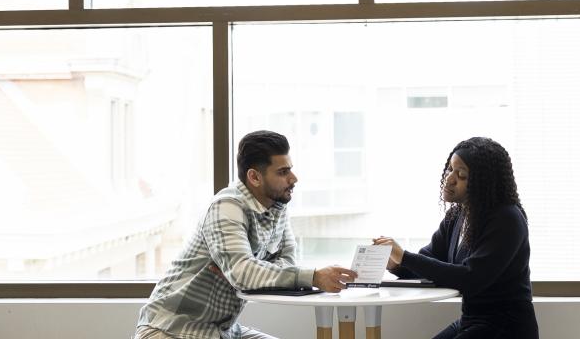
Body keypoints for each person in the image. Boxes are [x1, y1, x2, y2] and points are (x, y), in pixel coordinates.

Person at [135, 130, 357, 339]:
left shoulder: (277, 208)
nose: (293, 178)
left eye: (291, 169)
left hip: (221, 331)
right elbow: (243, 273)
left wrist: (250, 271)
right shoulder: (227, 206)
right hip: (171, 330)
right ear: (254, 177)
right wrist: (314, 276)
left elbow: (286, 261)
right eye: (283, 172)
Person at [374, 136, 538, 338]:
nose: (450, 178)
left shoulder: (506, 219)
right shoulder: (457, 215)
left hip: (505, 326)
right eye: (450, 169)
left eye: (461, 175)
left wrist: (405, 257)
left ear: (483, 184)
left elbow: (471, 278)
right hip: (472, 321)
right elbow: (431, 261)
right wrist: (395, 264)